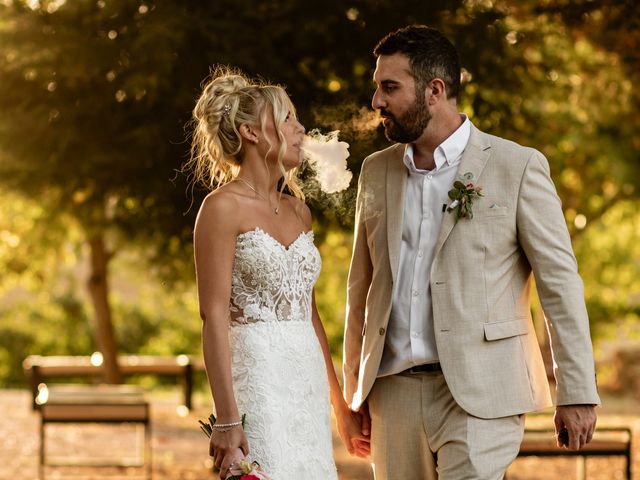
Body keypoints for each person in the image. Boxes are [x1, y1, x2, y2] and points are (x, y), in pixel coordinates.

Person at [342, 25, 601, 479]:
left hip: (484, 393)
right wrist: (354, 394)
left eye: (390, 87)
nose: (376, 102)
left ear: (434, 91)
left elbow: (559, 284)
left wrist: (577, 391)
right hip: (393, 393)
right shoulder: (375, 172)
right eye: (376, 88)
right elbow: (360, 290)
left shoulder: (517, 166)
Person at [187, 67, 366, 480]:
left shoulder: (299, 211)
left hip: (305, 385)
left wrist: (339, 405)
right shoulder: (221, 208)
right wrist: (229, 421)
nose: (300, 128)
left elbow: (311, 315)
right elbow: (213, 317)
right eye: (287, 118)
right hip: (257, 384)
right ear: (251, 132)